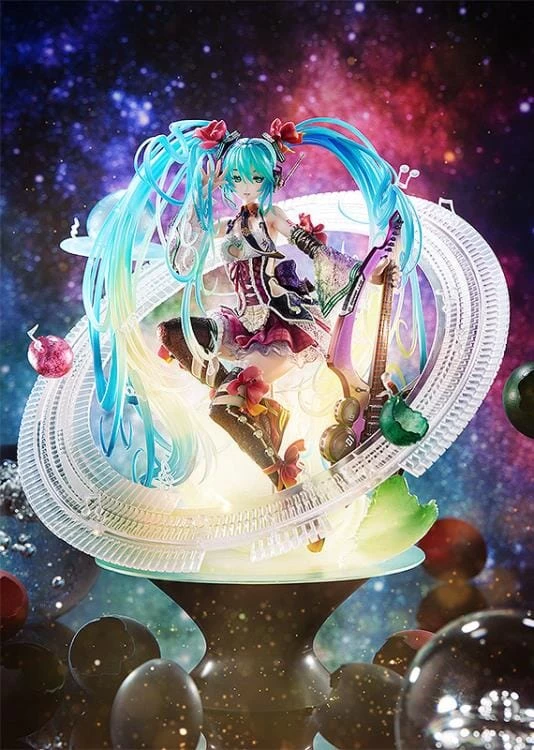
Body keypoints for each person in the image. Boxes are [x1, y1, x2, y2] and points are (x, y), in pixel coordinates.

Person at [83, 117, 424, 489]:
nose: (246, 186)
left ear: (271, 179)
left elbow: (311, 247)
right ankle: (249, 403)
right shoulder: (226, 227)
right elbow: (183, 259)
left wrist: (365, 271)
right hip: (241, 324)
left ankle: (278, 472)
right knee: (174, 333)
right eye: (237, 178)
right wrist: (199, 192)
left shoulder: (270, 217)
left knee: (223, 408)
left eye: (256, 178)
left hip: (280, 327)